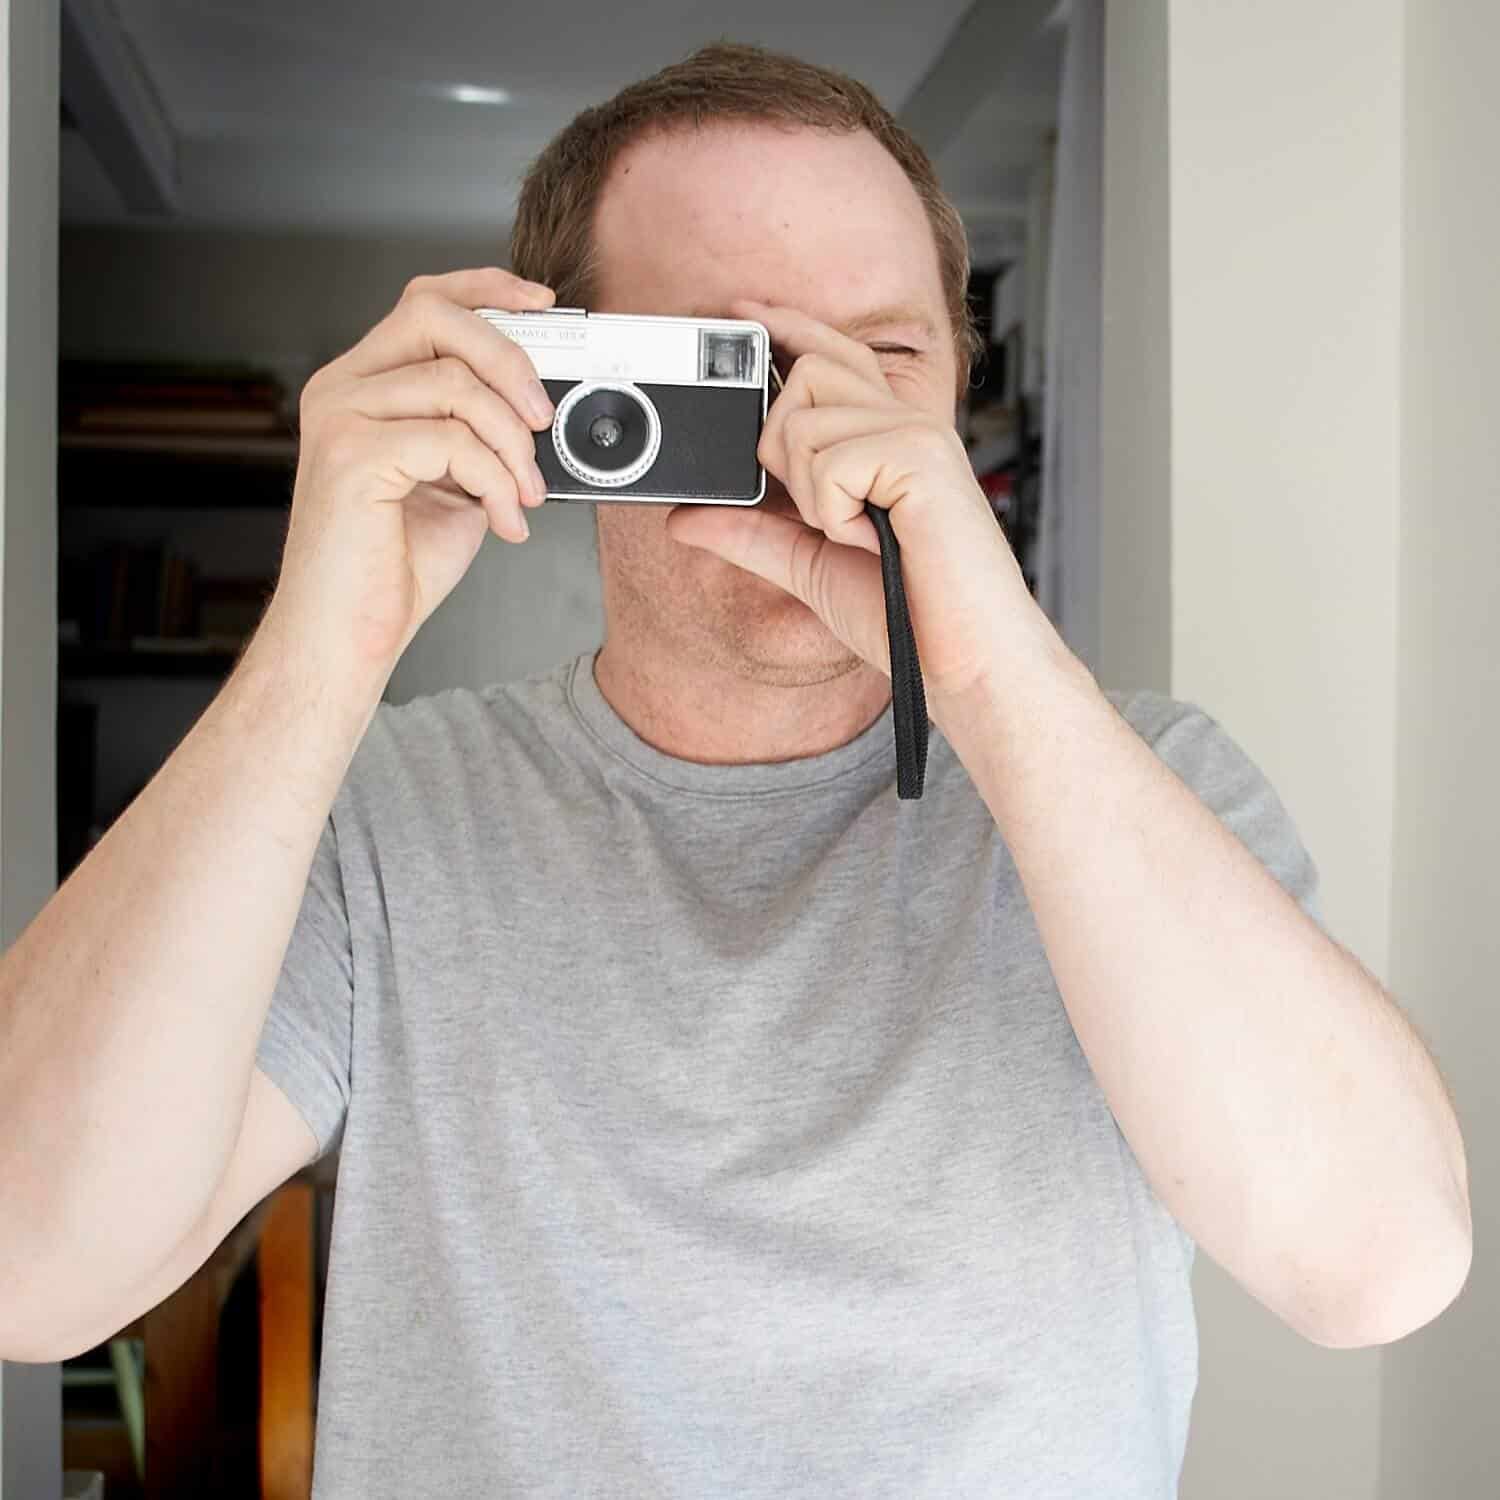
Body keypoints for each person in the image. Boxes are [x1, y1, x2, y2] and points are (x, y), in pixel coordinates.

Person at [0, 40, 1470, 1500]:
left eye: (883, 358)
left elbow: (1381, 1267)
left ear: (956, 393)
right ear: (554, 392)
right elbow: (31, 1266)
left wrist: (987, 670)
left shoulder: (1139, 783)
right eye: (730, 363)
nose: (803, 432)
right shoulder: (382, 811)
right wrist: (326, 640)